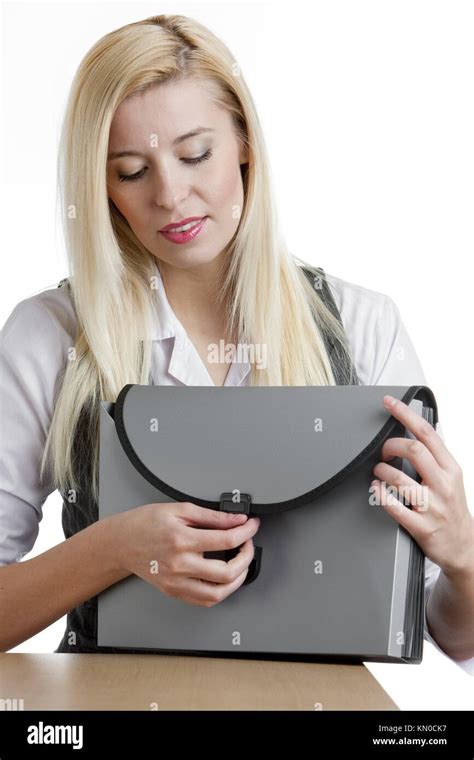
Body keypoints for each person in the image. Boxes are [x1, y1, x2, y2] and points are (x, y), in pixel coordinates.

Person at [0, 14, 472, 673]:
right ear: (101, 189)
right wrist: (110, 550)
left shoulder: (362, 325)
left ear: (245, 142)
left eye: (196, 154)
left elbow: (443, 631)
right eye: (132, 171)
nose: (171, 195)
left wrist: (463, 555)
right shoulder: (49, 337)